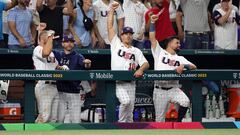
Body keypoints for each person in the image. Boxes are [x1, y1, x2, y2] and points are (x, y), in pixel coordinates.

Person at [149, 13, 197, 122]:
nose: (179, 45)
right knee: (159, 119)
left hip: (173, 88)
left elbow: (194, 67)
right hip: (160, 89)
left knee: (185, 102)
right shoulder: (159, 52)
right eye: (177, 43)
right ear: (170, 43)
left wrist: (184, 66)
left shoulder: (180, 58)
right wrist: (152, 22)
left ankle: (177, 123)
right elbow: (152, 38)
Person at [107, 2, 150, 122]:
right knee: (125, 102)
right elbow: (110, 27)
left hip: (131, 83)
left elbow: (146, 63)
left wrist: (140, 69)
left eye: (130, 34)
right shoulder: (116, 44)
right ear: (121, 36)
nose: (128, 36)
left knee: (130, 113)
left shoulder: (136, 50)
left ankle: (128, 129)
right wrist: (111, 11)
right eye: (125, 34)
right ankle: (120, 124)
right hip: (118, 82)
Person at [42, 32, 92, 123]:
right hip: (60, 93)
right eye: (67, 41)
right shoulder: (58, 54)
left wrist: (87, 63)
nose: (69, 43)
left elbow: (86, 65)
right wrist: (48, 38)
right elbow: (45, 51)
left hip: (74, 92)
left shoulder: (78, 56)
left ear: (73, 44)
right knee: (59, 120)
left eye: (71, 41)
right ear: (62, 43)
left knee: (76, 121)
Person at [33, 29, 59, 123]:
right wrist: (50, 37)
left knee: (54, 119)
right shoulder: (38, 49)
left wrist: (62, 67)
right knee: (44, 117)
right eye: (47, 37)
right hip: (44, 85)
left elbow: (55, 67)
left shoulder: (52, 53)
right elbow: (46, 52)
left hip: (54, 86)